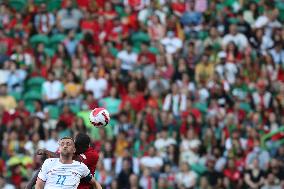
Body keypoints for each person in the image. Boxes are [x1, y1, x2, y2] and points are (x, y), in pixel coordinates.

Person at [26, 133, 100, 189]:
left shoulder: (92, 155)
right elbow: (45, 167)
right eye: (75, 145)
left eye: (77, 147)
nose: (76, 149)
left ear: (86, 147)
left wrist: (47, 152)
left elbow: (67, 159)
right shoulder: (66, 149)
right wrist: (29, 185)